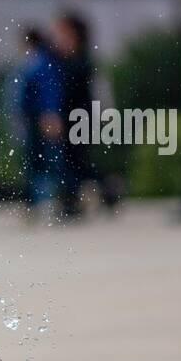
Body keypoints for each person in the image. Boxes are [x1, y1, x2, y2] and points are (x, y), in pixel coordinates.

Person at [53, 12, 119, 216]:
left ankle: (75, 201)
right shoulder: (62, 58)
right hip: (70, 116)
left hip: (80, 118)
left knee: (75, 161)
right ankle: (103, 191)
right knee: (75, 162)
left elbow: (79, 92)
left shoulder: (81, 60)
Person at [14, 28, 65, 218]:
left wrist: (50, 114)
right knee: (37, 160)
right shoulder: (36, 61)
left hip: (40, 119)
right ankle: (37, 201)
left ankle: (48, 201)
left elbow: (48, 90)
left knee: (43, 160)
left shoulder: (40, 63)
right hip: (33, 118)